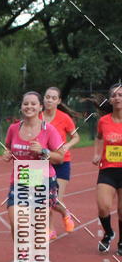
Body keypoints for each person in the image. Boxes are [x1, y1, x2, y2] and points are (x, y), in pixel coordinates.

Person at [2, 91, 65, 241]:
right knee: (16, 223)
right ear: (21, 107)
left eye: (33, 104)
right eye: (25, 104)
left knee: (36, 227)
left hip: (42, 182)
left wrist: (44, 151)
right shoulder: (13, 128)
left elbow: (60, 157)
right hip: (20, 181)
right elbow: (8, 148)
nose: (29, 106)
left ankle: (30, 256)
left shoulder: (48, 130)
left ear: (40, 107)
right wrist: (7, 154)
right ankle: (22, 256)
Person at [43, 86, 79, 239]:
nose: (49, 100)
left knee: (54, 199)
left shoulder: (64, 118)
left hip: (62, 162)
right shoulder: (37, 117)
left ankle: (65, 213)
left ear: (59, 101)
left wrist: (67, 146)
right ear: (43, 99)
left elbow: (76, 137)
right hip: (43, 162)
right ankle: (50, 229)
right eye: (47, 97)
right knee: (44, 198)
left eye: (53, 98)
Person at [92, 82, 122, 254]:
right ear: (110, 100)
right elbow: (98, 137)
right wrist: (97, 154)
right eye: (114, 95)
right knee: (103, 206)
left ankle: (121, 242)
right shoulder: (104, 121)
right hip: (108, 169)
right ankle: (108, 233)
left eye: (120, 95)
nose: (117, 98)